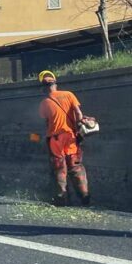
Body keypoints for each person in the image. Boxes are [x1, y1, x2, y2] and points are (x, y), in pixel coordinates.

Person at [37, 71, 93, 207]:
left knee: (59, 169)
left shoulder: (44, 103)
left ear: (43, 88)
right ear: (55, 84)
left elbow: (46, 123)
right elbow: (78, 114)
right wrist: (80, 127)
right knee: (75, 167)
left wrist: (39, 138)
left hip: (55, 140)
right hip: (71, 137)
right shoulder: (69, 95)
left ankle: (61, 200)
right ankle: (85, 197)